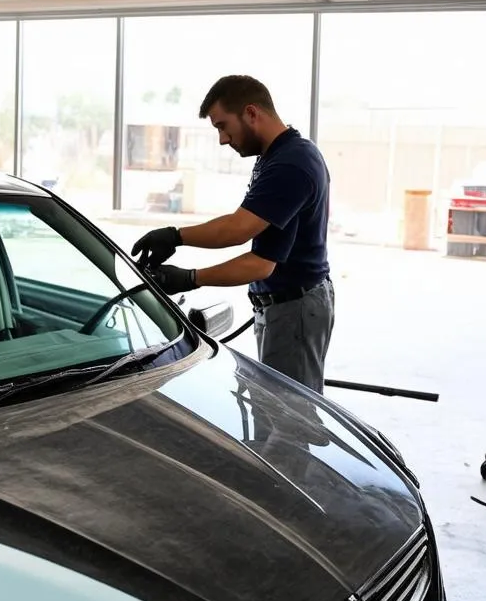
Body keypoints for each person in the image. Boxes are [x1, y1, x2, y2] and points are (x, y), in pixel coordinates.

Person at [131, 74, 335, 394]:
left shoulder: (290, 165)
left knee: (291, 422)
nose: (223, 139)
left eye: (223, 126)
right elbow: (262, 261)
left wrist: (186, 266)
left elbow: (238, 229)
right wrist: (176, 240)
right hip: (282, 304)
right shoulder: (277, 158)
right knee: (275, 416)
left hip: (294, 310)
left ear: (252, 113)